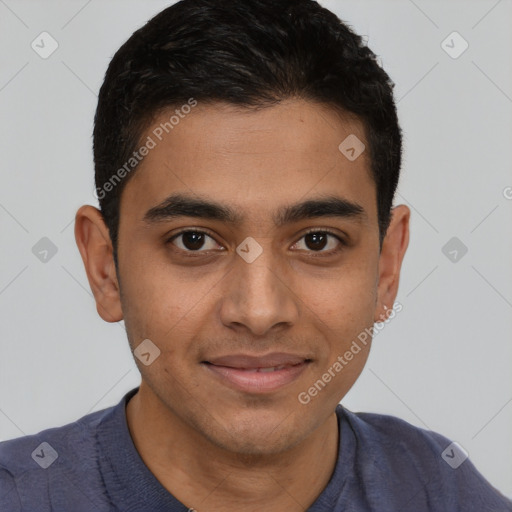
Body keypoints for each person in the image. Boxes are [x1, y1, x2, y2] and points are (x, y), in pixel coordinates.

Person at [1, 0, 511, 510]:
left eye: (317, 240)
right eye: (194, 240)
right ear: (105, 267)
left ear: (386, 265)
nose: (260, 311)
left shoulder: (448, 496)